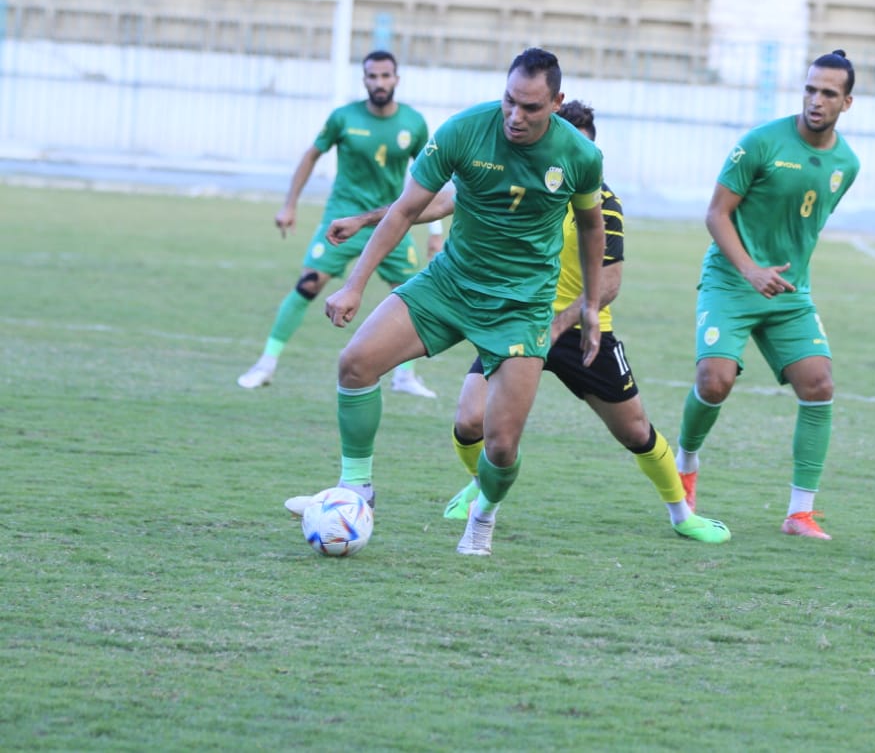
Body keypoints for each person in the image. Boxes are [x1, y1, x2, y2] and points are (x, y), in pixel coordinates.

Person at [323, 101, 730, 544]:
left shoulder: (602, 203)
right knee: (470, 422)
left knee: (634, 429)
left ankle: (682, 514)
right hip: (507, 318)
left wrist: (560, 324)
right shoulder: (512, 172)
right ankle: (480, 490)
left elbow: (610, 282)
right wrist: (364, 219)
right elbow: (435, 201)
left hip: (575, 331)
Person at [289, 47, 607, 558]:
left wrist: (589, 305)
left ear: (556, 102)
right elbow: (406, 209)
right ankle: (355, 490)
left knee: (500, 443)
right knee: (356, 362)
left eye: (530, 107)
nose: (515, 115)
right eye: (509, 100)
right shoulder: (463, 131)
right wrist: (354, 284)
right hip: (450, 284)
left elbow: (592, 228)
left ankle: (482, 517)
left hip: (520, 306)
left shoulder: (579, 155)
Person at [674, 50, 862, 541]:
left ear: (846, 102)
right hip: (732, 280)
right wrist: (751, 269)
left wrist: (780, 274)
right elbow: (716, 214)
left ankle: (799, 514)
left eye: (828, 93)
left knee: (819, 384)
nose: (815, 100)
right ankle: (685, 465)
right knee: (715, 381)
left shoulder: (847, 164)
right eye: (810, 89)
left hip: (788, 292)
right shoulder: (760, 142)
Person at [237, 50, 437, 398]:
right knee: (309, 284)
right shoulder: (343, 118)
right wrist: (289, 205)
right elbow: (311, 155)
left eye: (385, 76)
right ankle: (265, 364)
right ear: (364, 80)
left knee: (411, 295)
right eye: (372, 76)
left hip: (389, 221)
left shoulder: (414, 123)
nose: (379, 82)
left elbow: (431, 179)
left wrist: (435, 232)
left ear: (396, 79)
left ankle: (405, 376)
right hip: (342, 220)